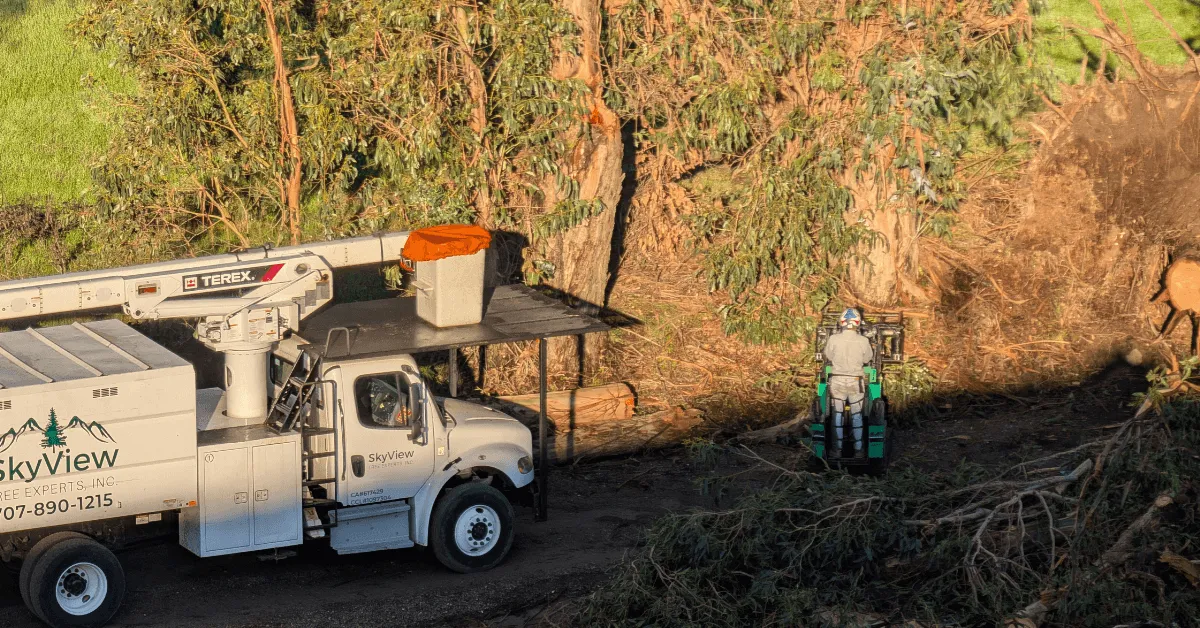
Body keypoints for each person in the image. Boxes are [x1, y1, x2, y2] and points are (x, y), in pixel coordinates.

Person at [823, 308, 874, 457]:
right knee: (857, 414)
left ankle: (837, 450)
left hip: (837, 380)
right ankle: (859, 450)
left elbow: (829, 356)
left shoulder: (833, 339)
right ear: (858, 323)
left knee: (837, 414)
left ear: (842, 322)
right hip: (855, 381)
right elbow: (867, 359)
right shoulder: (864, 340)